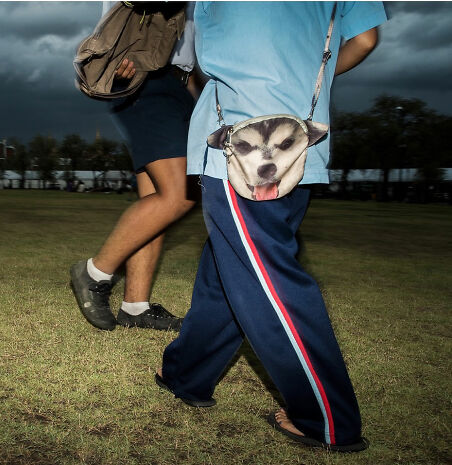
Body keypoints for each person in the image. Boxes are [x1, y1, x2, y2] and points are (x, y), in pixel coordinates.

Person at [156, 1, 387, 452]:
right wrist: (298, 82)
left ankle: (327, 419)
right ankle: (186, 373)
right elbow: (365, 39)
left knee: (268, 280)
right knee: (229, 272)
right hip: (300, 141)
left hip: (239, 147)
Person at [70, 2, 202, 331]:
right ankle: (95, 273)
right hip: (144, 75)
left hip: (178, 83)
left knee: (157, 199)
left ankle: (135, 307)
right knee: (181, 194)